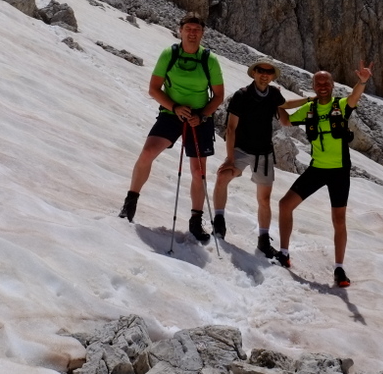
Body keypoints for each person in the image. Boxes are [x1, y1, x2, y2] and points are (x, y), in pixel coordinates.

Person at [118, 14, 225, 242]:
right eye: (188, 28)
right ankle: (130, 202)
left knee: (198, 172)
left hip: (200, 118)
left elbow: (218, 96)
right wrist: (175, 107)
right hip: (171, 113)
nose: (192, 33)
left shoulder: (210, 60)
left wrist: (202, 115)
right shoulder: (170, 54)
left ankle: (196, 221)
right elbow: (154, 89)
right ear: (180, 31)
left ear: (202, 33)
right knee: (147, 154)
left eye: (196, 29)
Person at [276, 62, 372, 288]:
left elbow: (354, 97)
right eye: (318, 83)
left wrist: (363, 81)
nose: (322, 86)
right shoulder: (309, 110)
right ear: (313, 85)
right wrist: (277, 102)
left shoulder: (341, 105)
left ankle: (339, 269)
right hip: (317, 168)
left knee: (338, 220)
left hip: (339, 170)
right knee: (284, 205)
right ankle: (283, 253)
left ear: (331, 85)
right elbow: (286, 120)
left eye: (326, 82)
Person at [211, 57, 302, 258]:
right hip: (242, 149)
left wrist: (309, 100)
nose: (264, 74)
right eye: (261, 70)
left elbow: (285, 104)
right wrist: (229, 158)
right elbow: (231, 128)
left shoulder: (273, 95)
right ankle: (219, 221)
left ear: (271, 76)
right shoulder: (241, 95)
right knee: (222, 177)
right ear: (254, 72)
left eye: (268, 72)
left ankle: (263, 239)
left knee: (264, 198)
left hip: (264, 152)